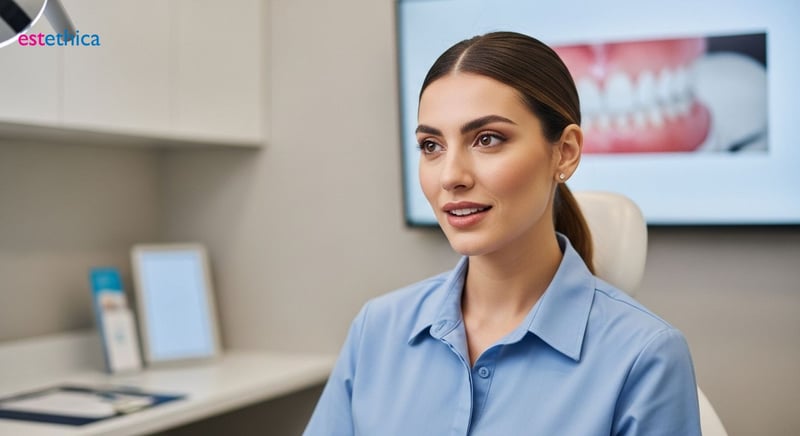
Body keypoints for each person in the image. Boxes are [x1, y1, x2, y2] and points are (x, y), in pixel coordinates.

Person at [304, 31, 701, 435]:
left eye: (487, 139)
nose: (451, 177)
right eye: (431, 146)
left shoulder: (645, 356)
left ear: (565, 152)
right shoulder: (378, 329)